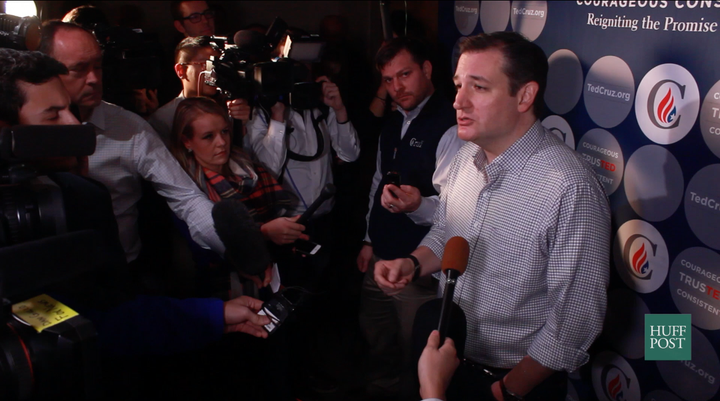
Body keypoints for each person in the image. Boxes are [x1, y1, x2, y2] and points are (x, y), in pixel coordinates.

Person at [375, 32, 611, 400]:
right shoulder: (464, 160)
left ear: (525, 96)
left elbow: (575, 320)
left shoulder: (570, 188)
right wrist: (412, 264)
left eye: (479, 87)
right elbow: (445, 234)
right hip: (446, 364)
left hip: (512, 382)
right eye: (457, 86)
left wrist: (506, 389)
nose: (458, 101)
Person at [0, 47, 270, 356]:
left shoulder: (83, 190)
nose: (74, 125)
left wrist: (218, 302)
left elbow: (102, 315)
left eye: (98, 66)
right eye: (53, 116)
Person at [38, 21, 224, 266]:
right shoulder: (23, 129)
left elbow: (186, 197)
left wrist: (234, 245)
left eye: (98, 66)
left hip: (122, 270)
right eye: (79, 69)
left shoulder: (130, 128)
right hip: (47, 274)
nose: (94, 78)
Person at [356, 37, 464, 400]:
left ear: (427, 70)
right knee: (378, 346)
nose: (396, 87)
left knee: (417, 359)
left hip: (421, 269)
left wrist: (416, 206)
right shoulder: (391, 125)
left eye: (404, 74)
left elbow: (456, 214)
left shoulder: (452, 126)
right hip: (379, 260)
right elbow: (377, 182)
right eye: (388, 80)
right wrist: (369, 240)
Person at [168, 97, 309, 287]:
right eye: (208, 136)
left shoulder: (245, 164)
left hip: (276, 271)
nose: (222, 142)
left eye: (225, 131)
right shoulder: (187, 189)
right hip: (228, 284)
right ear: (187, 141)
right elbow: (209, 244)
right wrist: (265, 233)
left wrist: (287, 233)